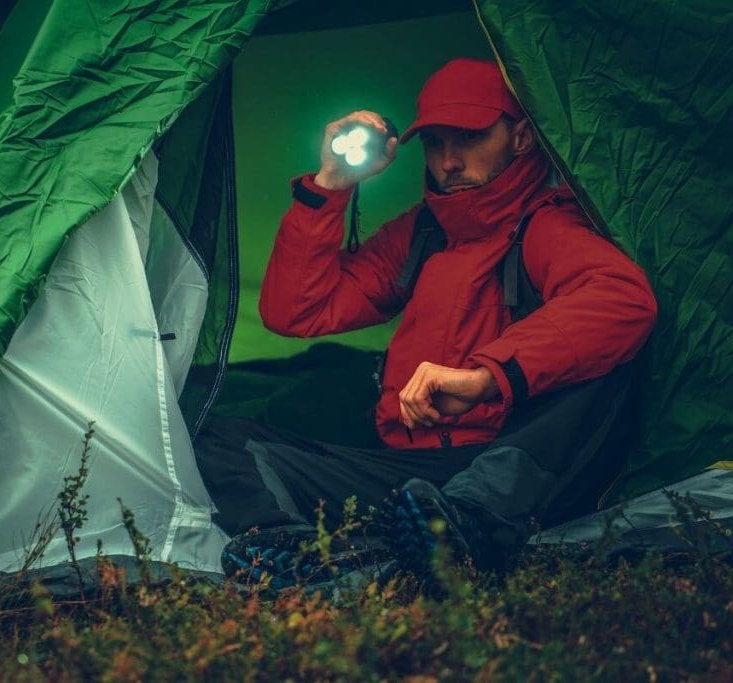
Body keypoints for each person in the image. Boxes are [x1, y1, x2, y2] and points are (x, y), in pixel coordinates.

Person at [194, 58, 658, 583]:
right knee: (214, 434)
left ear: (522, 136)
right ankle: (301, 560)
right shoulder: (425, 231)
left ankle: (468, 527)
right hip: (408, 479)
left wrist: (486, 377)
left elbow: (623, 298)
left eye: (469, 138)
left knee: (603, 367)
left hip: (500, 466)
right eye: (435, 143)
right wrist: (330, 186)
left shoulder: (545, 225)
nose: (449, 161)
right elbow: (297, 310)